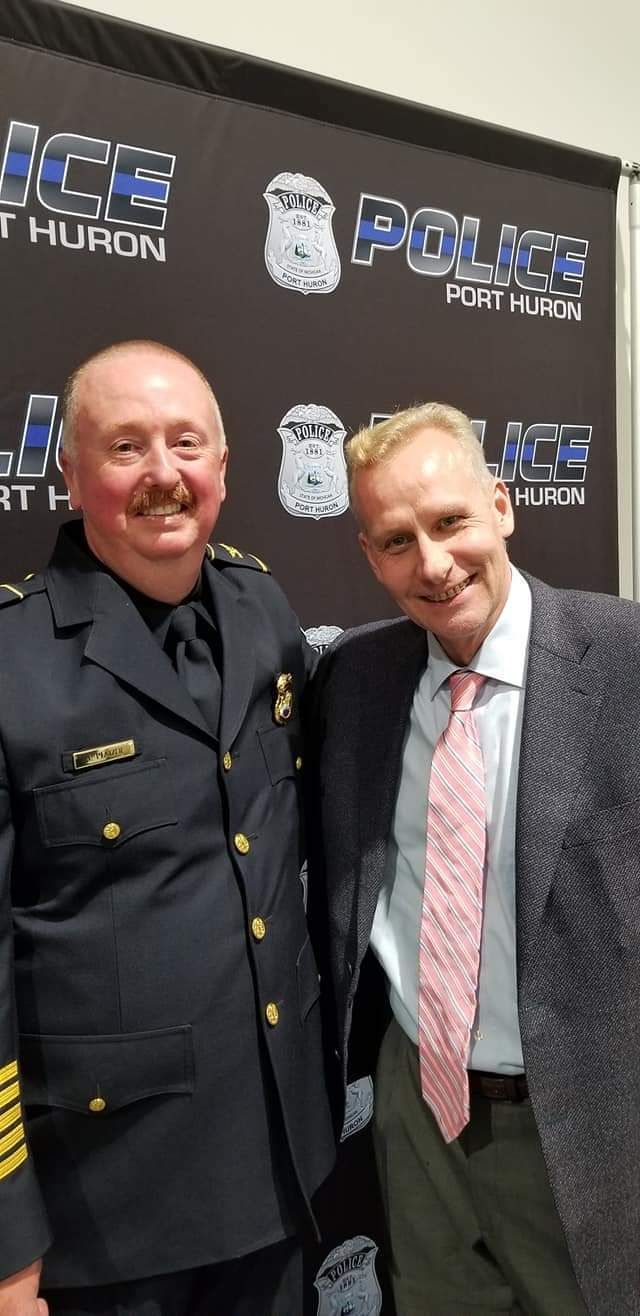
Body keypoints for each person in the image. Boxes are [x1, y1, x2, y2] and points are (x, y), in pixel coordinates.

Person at [0, 340, 335, 1316]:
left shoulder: (261, 606)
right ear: (68, 473)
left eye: (186, 443)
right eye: (125, 447)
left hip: (279, 1169)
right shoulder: (13, 664)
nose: (162, 474)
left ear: (223, 467)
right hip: (108, 1212)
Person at [308, 401, 640, 1316]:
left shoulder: (624, 658)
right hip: (420, 1118)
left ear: (501, 504)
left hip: (589, 1117)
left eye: (451, 521)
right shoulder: (359, 680)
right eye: (397, 540)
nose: (435, 564)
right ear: (370, 557)